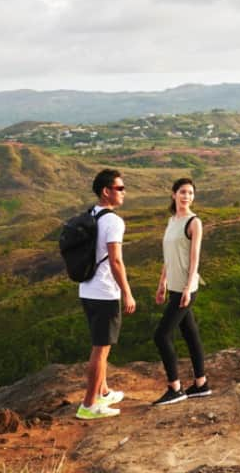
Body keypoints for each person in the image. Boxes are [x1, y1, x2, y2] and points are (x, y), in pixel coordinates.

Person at [77, 168, 137, 420]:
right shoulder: (113, 221)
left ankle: (102, 392)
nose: (124, 193)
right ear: (106, 191)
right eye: (120, 188)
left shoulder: (91, 214)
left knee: (101, 346)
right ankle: (89, 405)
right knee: (100, 350)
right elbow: (116, 261)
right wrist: (127, 292)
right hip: (104, 293)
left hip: (87, 289)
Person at [151, 176, 211, 405]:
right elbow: (169, 257)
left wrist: (187, 288)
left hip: (187, 287)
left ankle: (175, 388)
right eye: (183, 192)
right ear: (173, 194)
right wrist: (162, 283)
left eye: (191, 193)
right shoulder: (172, 221)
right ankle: (201, 384)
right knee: (190, 333)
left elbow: (194, 257)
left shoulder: (194, 222)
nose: (187, 196)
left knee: (161, 335)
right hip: (174, 285)